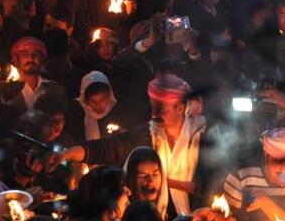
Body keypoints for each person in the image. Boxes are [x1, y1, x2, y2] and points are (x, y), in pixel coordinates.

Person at [61, 73, 208, 212]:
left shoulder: (204, 136)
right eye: (152, 108)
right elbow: (109, 148)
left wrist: (165, 181)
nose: (154, 115)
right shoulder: (148, 133)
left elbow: (207, 187)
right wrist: (69, 153)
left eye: (160, 109)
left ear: (180, 108)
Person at [0, 37, 66, 120]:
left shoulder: (57, 90)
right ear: (15, 59)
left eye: (36, 54)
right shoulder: (1, 89)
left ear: (43, 60)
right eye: (25, 54)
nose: (31, 58)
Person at [64, 70, 119, 142]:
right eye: (93, 101)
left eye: (102, 100)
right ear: (85, 100)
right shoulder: (75, 111)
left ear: (109, 96)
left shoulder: (117, 110)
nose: (98, 105)